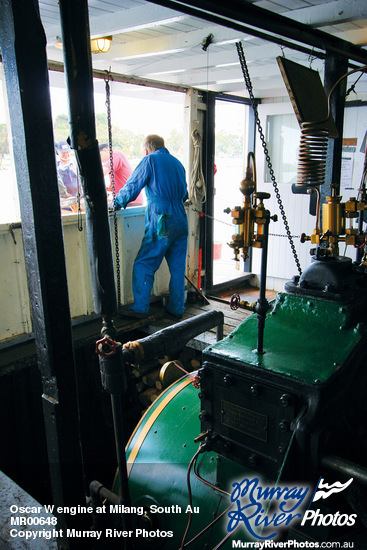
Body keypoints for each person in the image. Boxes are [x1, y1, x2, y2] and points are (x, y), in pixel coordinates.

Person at [115, 134, 188, 319]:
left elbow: (132, 187)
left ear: (146, 150)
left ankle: (140, 308)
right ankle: (177, 309)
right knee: (178, 268)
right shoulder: (178, 163)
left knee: (145, 263)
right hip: (181, 218)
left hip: (162, 219)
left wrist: (117, 202)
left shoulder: (149, 160)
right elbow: (185, 194)